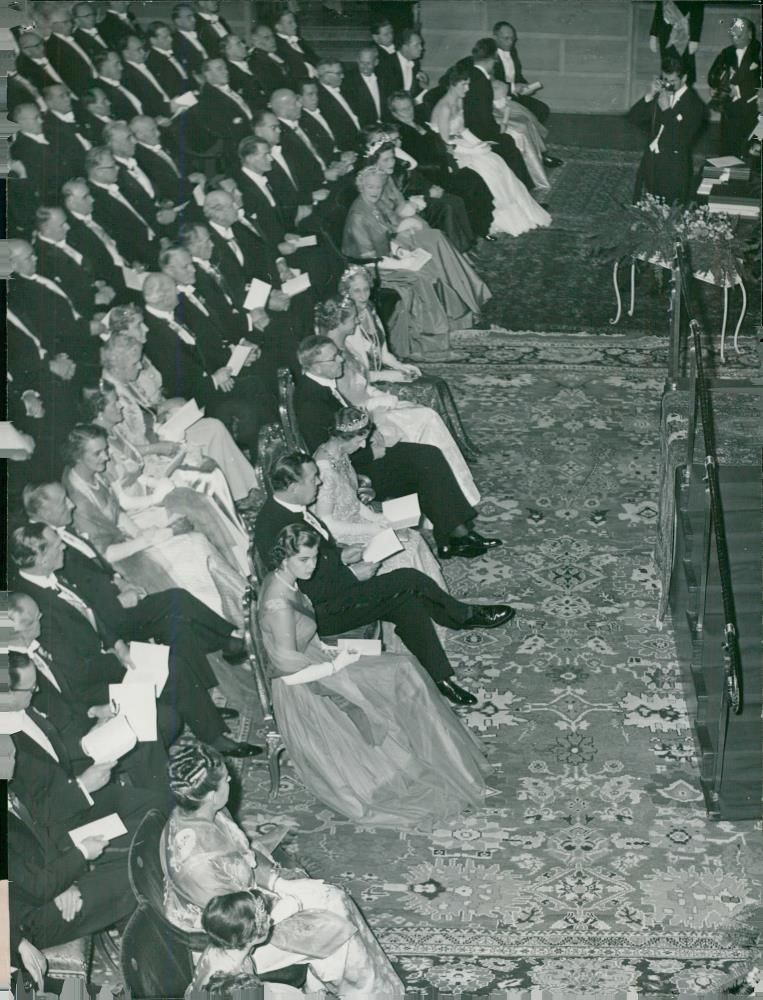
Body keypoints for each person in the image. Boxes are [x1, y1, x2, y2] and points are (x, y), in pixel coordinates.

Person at [258, 524, 490, 828]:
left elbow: (303, 637)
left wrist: (330, 653)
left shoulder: (285, 578)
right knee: (401, 674)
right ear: (283, 558)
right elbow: (289, 673)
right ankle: (434, 755)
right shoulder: (278, 605)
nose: (312, 566)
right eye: (304, 559)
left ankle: (442, 754)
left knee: (404, 668)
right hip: (307, 688)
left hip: (320, 662)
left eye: (314, 557)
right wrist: (337, 665)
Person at [255, 452, 515, 706]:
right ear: (292, 486)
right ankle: (462, 616)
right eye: (313, 478)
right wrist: (352, 575)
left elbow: (316, 554)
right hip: (322, 613)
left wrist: (341, 556)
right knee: (408, 578)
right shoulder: (277, 527)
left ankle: (441, 678)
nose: (319, 482)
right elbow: (305, 591)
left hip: (332, 589)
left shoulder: (292, 508)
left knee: (407, 603)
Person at [161, 737, 405, 995]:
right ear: (211, 795)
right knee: (337, 926)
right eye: (226, 779)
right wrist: (292, 902)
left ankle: (327, 986)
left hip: (241, 906)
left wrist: (281, 884)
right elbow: (239, 922)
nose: (231, 779)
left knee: (331, 898)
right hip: (229, 939)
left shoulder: (199, 812)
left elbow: (242, 857)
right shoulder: (200, 866)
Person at [61, 424, 246, 623]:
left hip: (132, 541)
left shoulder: (94, 473)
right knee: (190, 561)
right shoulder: (79, 500)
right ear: (78, 456)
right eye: (97, 453)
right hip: (121, 561)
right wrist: (148, 540)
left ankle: (240, 603)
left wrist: (141, 533)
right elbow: (104, 554)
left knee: (198, 541)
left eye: (105, 449)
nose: (106, 457)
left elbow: (117, 512)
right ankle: (225, 620)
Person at [79, 385, 252, 578]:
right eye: (114, 403)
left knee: (207, 473)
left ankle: (240, 547)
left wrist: (157, 482)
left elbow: (135, 473)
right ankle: (235, 562)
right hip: (139, 508)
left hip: (150, 489)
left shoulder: (113, 433)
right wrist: (156, 495)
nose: (120, 406)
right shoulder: (101, 449)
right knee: (203, 490)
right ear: (100, 412)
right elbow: (120, 500)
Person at [337, 264, 480, 473]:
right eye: (356, 291)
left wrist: (401, 366)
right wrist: (392, 375)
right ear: (346, 293)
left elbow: (384, 353)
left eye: (366, 289)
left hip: (383, 373)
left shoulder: (370, 311)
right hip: (370, 384)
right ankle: (434, 453)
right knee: (428, 390)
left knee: (437, 383)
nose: (363, 296)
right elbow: (358, 376)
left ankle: (456, 447)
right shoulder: (346, 324)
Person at [343, 160, 490, 361]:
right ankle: (428, 346)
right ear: (361, 186)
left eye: (378, 187)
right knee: (421, 277)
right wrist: (400, 264)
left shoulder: (373, 205)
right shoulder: (358, 215)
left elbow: (386, 236)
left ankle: (453, 319)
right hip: (369, 269)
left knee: (429, 260)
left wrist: (399, 251)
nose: (375, 191)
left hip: (384, 259)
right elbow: (366, 258)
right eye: (370, 187)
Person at [313, 407, 448, 588]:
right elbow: (326, 523)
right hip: (339, 536)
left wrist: (376, 517)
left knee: (412, 537)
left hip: (356, 520)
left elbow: (351, 499)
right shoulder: (324, 471)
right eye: (359, 441)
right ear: (341, 438)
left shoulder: (340, 453)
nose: (363, 446)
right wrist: (371, 528)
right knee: (404, 551)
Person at [431, 65, 551, 236]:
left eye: (468, 84)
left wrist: (480, 143)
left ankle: (523, 208)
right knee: (488, 168)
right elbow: (445, 143)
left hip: (464, 145)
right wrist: (473, 150)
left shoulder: (458, 100)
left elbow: (463, 130)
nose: (467, 89)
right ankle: (494, 218)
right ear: (452, 85)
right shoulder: (444, 108)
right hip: (452, 153)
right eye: (464, 85)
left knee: (496, 160)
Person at [631, 54, 706, 205]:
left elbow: (681, 139)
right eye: (665, 80)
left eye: (673, 81)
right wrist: (650, 94)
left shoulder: (694, 104)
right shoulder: (661, 94)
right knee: (645, 204)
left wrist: (666, 111)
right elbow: (635, 118)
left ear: (684, 78)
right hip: (652, 157)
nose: (668, 85)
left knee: (668, 208)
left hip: (673, 164)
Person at [707, 18, 762, 158]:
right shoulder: (727, 52)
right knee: (727, 153)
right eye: (732, 36)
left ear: (750, 34)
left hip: (753, 110)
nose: (735, 39)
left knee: (751, 154)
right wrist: (715, 88)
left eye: (739, 35)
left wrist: (738, 90)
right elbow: (714, 76)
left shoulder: (758, 52)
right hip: (730, 111)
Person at [492, 20, 556, 134]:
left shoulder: (512, 51)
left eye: (513, 39)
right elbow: (492, 82)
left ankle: (531, 139)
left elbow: (517, 76)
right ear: (495, 37)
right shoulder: (489, 55)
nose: (510, 42)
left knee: (542, 110)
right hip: (498, 98)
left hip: (514, 95)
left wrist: (527, 86)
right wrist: (513, 87)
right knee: (526, 115)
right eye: (506, 38)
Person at [491, 79, 551, 200]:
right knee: (519, 132)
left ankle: (538, 159)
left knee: (526, 120)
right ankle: (523, 176)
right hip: (495, 118)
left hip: (500, 106)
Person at [649, 1, 704, 86]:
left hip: (685, 31)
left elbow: (698, 7)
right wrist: (653, 34)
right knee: (667, 69)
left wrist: (694, 38)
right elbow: (660, 6)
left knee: (684, 71)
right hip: (666, 31)